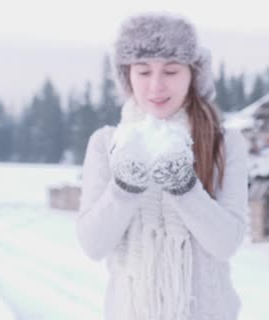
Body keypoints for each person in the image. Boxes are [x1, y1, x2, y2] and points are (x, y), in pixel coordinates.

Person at [75, 12, 249, 320]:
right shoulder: (106, 144)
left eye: (171, 70)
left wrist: (185, 187)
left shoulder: (225, 144)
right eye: (143, 72)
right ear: (127, 76)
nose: (156, 86)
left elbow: (225, 243)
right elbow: (93, 244)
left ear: (192, 74)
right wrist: (124, 188)